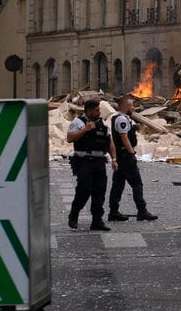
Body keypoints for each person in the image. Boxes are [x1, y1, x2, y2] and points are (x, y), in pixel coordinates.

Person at [108, 94, 158, 222]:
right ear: (125, 106)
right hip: (125, 157)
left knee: (118, 185)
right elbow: (124, 137)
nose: (133, 108)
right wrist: (131, 153)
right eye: (131, 106)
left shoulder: (121, 118)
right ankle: (142, 211)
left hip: (120, 156)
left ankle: (113, 212)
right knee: (137, 184)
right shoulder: (122, 120)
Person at [66, 99, 112, 231]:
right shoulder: (78, 122)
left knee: (99, 191)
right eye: (97, 110)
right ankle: (74, 215)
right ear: (89, 111)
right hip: (84, 161)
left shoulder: (102, 123)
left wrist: (114, 159)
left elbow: (109, 142)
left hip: (99, 161)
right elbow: (69, 138)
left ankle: (97, 220)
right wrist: (85, 130)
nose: (99, 112)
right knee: (84, 190)